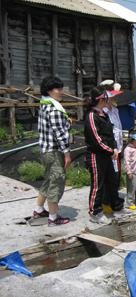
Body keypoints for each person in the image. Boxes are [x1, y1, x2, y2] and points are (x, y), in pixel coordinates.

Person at [84, 86, 129, 225]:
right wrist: (110, 150)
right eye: (106, 96)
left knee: (112, 180)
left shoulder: (103, 114)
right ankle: (95, 212)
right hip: (97, 155)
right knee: (98, 184)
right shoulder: (92, 116)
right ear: (100, 99)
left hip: (109, 153)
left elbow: (111, 134)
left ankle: (117, 206)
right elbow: (97, 140)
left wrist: (114, 148)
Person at [34, 76, 71, 226]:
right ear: (49, 91)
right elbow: (60, 134)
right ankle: (53, 218)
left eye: (61, 88)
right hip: (54, 151)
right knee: (57, 180)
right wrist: (67, 154)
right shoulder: (54, 109)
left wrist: (66, 122)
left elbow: (54, 126)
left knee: (49, 178)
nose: (61, 92)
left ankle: (38, 210)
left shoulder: (45, 105)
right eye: (58, 89)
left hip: (45, 149)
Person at [102, 91, 123, 214]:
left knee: (116, 175)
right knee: (108, 176)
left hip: (117, 145)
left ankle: (114, 199)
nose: (113, 98)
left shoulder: (115, 109)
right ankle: (106, 202)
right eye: (111, 97)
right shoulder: (102, 111)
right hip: (109, 147)